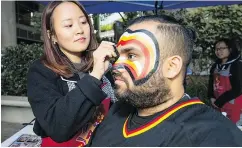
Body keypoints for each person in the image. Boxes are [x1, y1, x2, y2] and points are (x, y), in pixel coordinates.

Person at [89, 15, 242, 147]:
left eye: (131, 56)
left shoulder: (212, 136)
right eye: (118, 56)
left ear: (171, 66)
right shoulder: (117, 111)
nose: (115, 66)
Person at [27, 1, 117, 147]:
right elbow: (57, 126)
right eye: (69, 25)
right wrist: (94, 76)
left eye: (83, 22)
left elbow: (118, 110)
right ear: (52, 36)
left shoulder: (103, 63)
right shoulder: (41, 72)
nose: (79, 30)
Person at [208, 38, 242, 125]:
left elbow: (238, 89)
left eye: (222, 48)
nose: (218, 51)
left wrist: (219, 101)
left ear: (230, 49)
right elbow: (211, 83)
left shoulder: (237, 65)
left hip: (234, 106)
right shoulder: (215, 66)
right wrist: (211, 97)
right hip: (217, 105)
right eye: (216, 49)